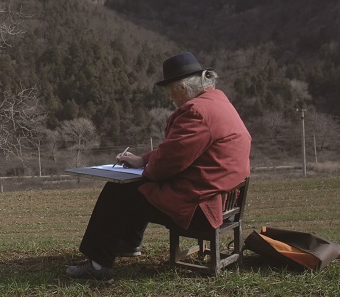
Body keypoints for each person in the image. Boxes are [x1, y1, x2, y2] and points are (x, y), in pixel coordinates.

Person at [65, 52, 251, 281]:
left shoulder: (196, 113)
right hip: (220, 198)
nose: (171, 98)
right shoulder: (218, 104)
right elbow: (179, 150)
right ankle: (128, 244)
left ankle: (98, 264)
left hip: (200, 207)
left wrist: (147, 168)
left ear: (181, 88)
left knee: (119, 190)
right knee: (137, 186)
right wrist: (143, 160)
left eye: (170, 91)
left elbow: (165, 165)